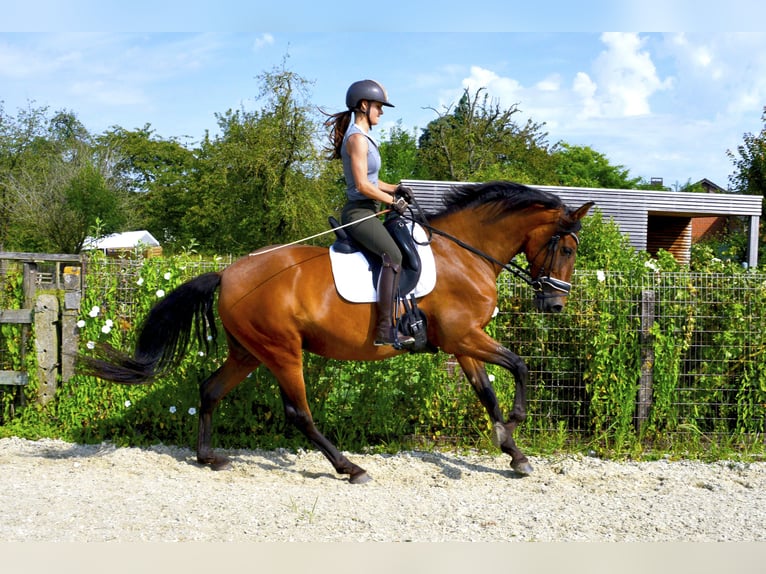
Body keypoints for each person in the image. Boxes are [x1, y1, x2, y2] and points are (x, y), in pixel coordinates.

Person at [324, 79, 415, 347]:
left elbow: (372, 180)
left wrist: (397, 188)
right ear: (364, 106)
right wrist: (392, 201)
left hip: (370, 210)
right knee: (394, 256)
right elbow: (363, 186)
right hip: (358, 214)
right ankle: (385, 330)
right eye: (379, 106)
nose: (382, 112)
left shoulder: (363, 137)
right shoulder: (356, 139)